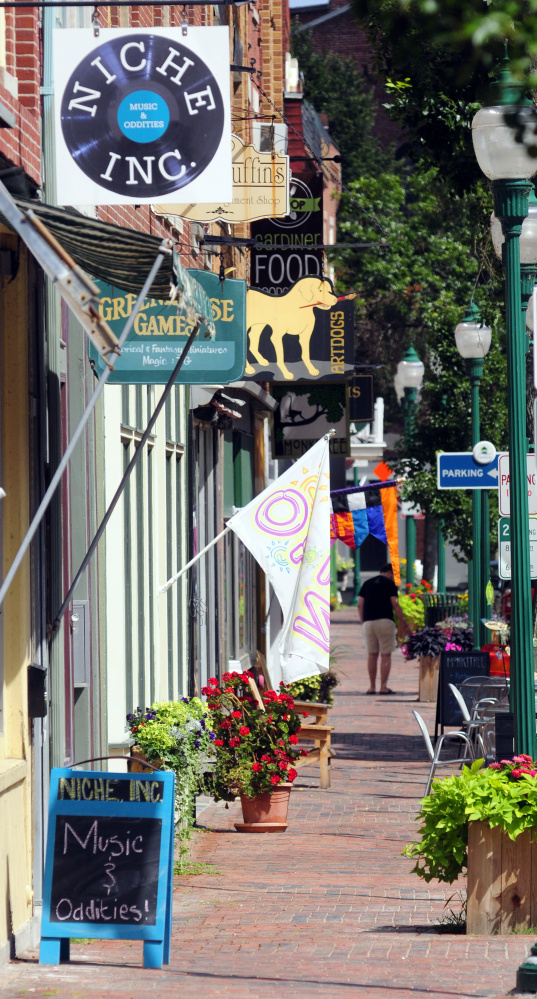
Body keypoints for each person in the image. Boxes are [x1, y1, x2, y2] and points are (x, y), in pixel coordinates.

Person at [357, 563, 412, 695]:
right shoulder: (390, 584)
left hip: (369, 622)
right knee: (385, 654)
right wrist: (403, 622)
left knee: (372, 654)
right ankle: (383, 687)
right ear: (390, 573)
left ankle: (371, 687)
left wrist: (363, 621)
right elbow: (395, 604)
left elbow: (360, 604)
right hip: (385, 621)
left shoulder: (367, 583)